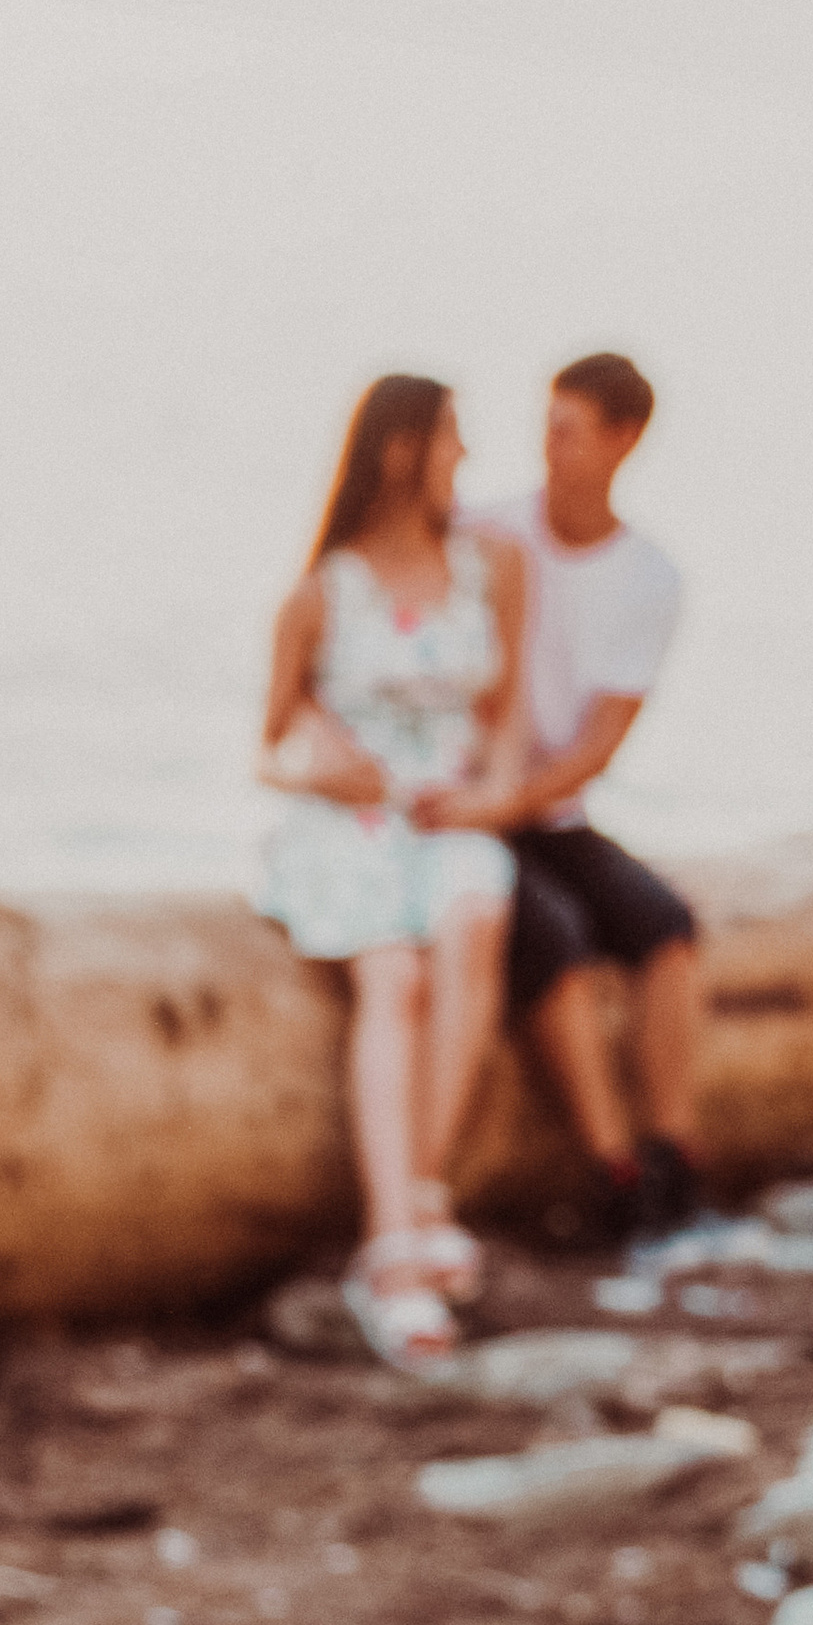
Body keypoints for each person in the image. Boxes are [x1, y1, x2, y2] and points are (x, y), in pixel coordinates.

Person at [255, 373, 527, 1370]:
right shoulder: (323, 592)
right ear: (402, 449)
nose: (464, 456)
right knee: (394, 974)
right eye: (452, 436)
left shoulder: (489, 570)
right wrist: (329, 775)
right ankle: (392, 1244)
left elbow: (505, 722)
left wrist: (492, 801)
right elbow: (267, 744)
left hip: (447, 809)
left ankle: (418, 1189)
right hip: (351, 816)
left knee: (473, 916)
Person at [469, 354, 704, 1242]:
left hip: (548, 809)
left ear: (623, 439)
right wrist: (481, 804)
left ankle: (673, 1150)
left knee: (668, 928)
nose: (548, 448)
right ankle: (613, 1169)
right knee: (555, 945)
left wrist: (516, 800)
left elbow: (601, 740)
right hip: (475, 808)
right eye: (546, 425)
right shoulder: (487, 529)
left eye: (567, 431)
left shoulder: (649, 578)